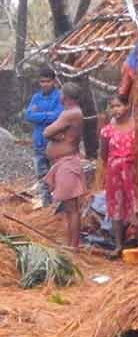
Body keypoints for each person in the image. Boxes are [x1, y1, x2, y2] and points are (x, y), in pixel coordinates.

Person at [42, 82, 87, 249]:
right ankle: (71, 243)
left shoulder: (70, 113)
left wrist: (54, 135)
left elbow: (46, 132)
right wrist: (56, 135)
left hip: (67, 164)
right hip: (64, 163)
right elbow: (51, 132)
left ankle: (73, 245)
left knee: (71, 207)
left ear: (65, 97)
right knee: (70, 208)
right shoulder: (72, 113)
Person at [99, 95, 138, 257]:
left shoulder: (137, 127)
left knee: (136, 206)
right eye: (113, 107)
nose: (115, 110)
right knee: (116, 207)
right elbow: (103, 154)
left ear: (128, 106)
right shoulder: (107, 130)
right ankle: (118, 246)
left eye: (119, 106)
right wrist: (115, 164)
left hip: (133, 173)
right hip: (114, 174)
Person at [22, 67, 64, 211]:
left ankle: (58, 206)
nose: (44, 84)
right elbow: (28, 115)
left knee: (57, 174)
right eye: (42, 82)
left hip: (55, 144)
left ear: (54, 81)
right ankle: (47, 206)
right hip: (39, 143)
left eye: (47, 81)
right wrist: (47, 115)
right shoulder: (36, 97)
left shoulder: (60, 96)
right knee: (42, 176)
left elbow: (58, 116)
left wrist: (40, 116)